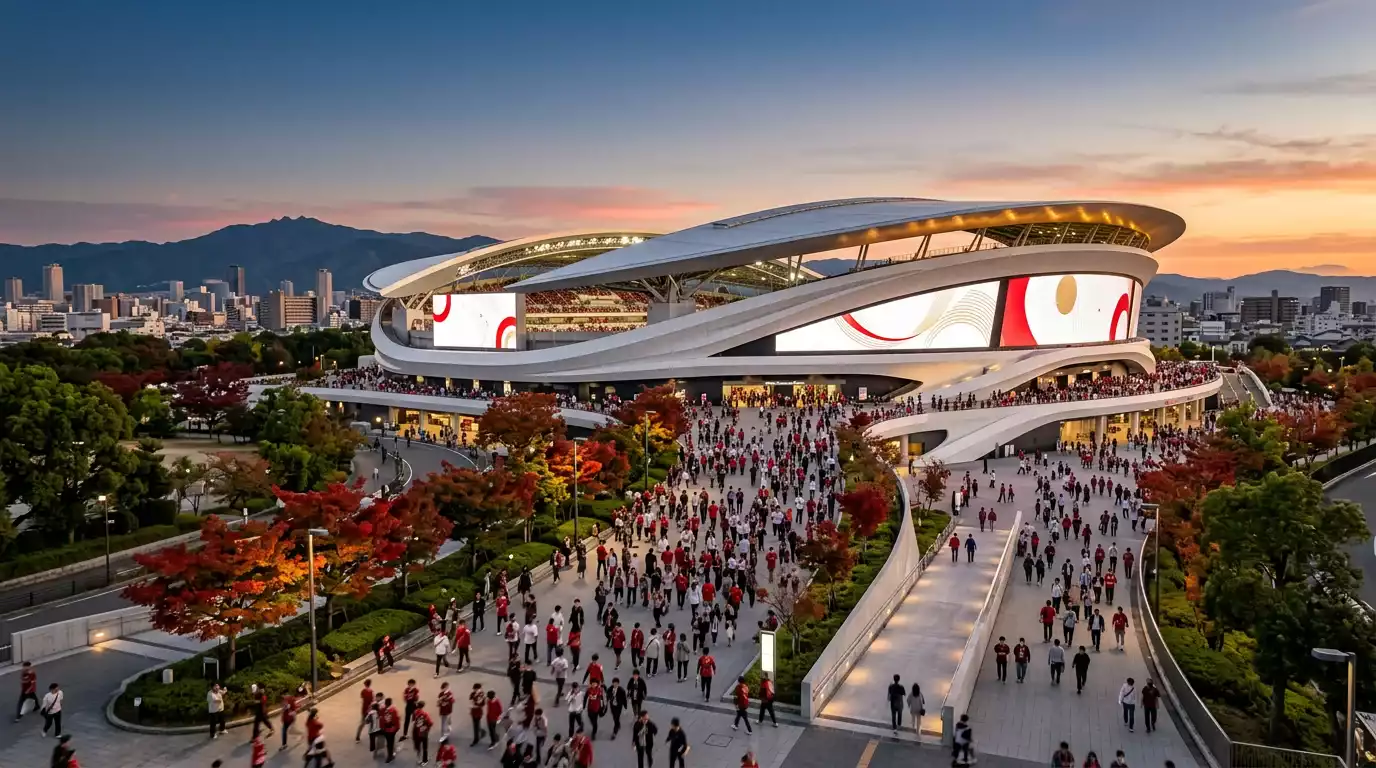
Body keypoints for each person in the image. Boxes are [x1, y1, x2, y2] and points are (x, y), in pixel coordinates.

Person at [413, 700, 434, 765]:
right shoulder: (425, 714)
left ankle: (418, 759)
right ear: (423, 706)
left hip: (416, 731)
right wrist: (426, 728)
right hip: (423, 732)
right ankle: (425, 760)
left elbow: (413, 721)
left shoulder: (415, 712)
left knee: (418, 746)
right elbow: (430, 723)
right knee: (425, 747)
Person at [381, 696, 401, 762]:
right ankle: (390, 755)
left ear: (385, 703)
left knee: (389, 742)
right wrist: (397, 728)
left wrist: (382, 727)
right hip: (392, 729)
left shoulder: (383, 709)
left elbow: (381, 719)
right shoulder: (394, 710)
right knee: (390, 742)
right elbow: (396, 720)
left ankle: (390, 755)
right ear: (391, 703)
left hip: (386, 729)